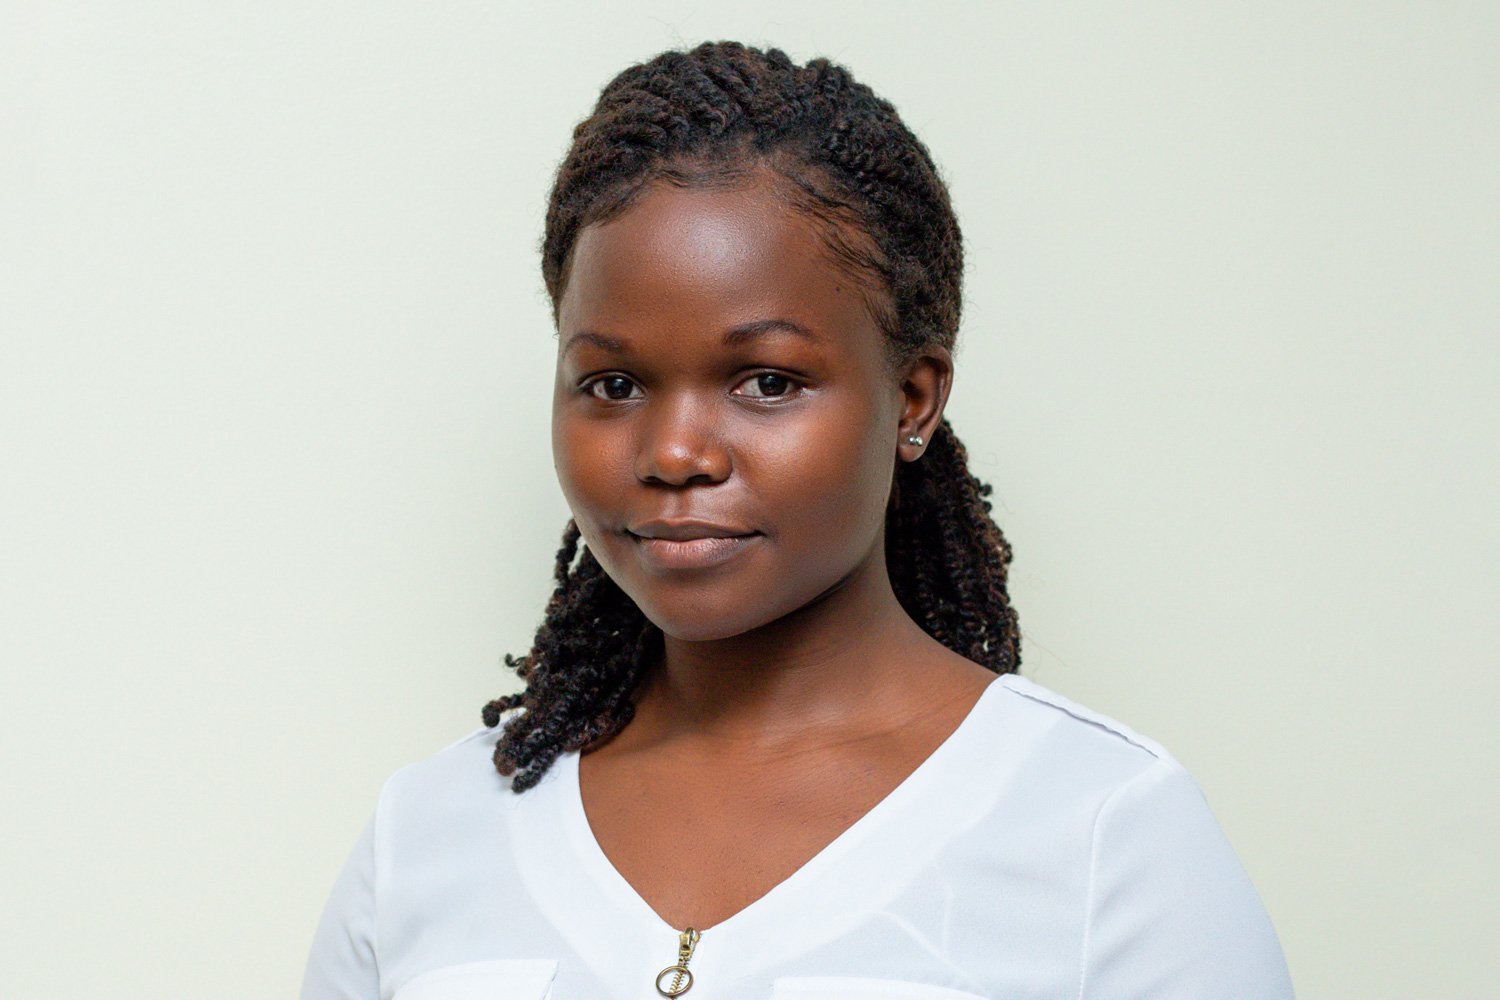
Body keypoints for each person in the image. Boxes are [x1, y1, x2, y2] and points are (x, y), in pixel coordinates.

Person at [300, 41, 1294, 1000]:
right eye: (613, 383)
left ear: (911, 399)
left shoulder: (1105, 834)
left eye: (767, 381)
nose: (675, 453)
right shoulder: (426, 837)